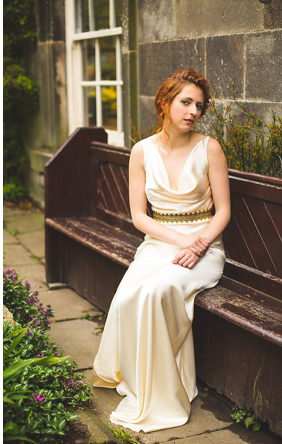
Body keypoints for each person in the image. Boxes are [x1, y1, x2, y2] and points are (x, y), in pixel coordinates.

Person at [92, 69, 230, 433]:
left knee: (157, 291)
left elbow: (224, 212)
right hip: (158, 243)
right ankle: (143, 379)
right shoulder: (142, 151)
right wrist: (179, 240)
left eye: (199, 105)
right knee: (128, 298)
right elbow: (139, 216)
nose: (193, 111)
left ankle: (166, 392)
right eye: (185, 102)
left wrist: (198, 244)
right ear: (165, 103)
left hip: (205, 246)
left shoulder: (209, 147)